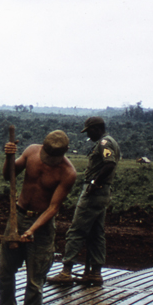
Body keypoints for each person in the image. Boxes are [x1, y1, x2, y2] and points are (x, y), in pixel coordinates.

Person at [0, 131, 77, 305]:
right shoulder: (31, 152)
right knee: (5, 270)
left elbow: (53, 207)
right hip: (17, 215)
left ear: (65, 152)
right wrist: (9, 156)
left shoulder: (68, 172)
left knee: (35, 277)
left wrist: (33, 230)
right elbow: (7, 175)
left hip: (42, 224)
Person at [47, 116, 120, 286]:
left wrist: (94, 183)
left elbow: (109, 164)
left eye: (89, 131)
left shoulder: (104, 143)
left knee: (76, 231)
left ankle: (66, 272)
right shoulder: (110, 142)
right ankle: (94, 273)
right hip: (103, 193)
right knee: (96, 233)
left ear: (96, 129)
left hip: (94, 193)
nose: (89, 135)